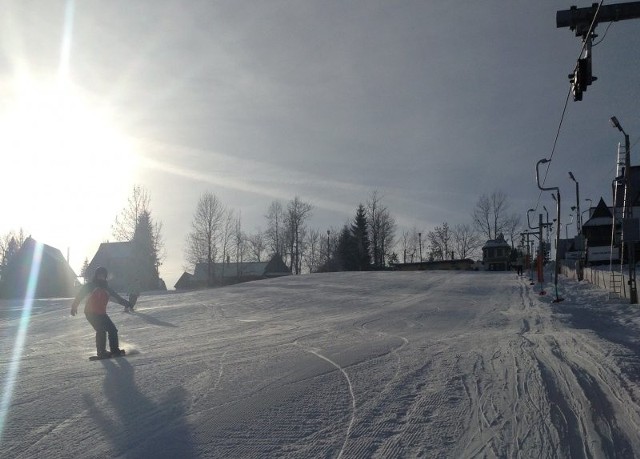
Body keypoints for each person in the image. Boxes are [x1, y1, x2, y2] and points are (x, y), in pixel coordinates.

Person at [71, 267, 131, 358]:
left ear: (105, 276)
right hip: (90, 313)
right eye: (99, 275)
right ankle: (101, 352)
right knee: (101, 330)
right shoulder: (91, 286)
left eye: (103, 275)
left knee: (113, 330)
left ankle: (114, 350)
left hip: (102, 313)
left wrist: (126, 303)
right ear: (96, 275)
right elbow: (80, 295)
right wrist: (74, 306)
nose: (101, 277)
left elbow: (117, 298)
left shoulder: (107, 288)